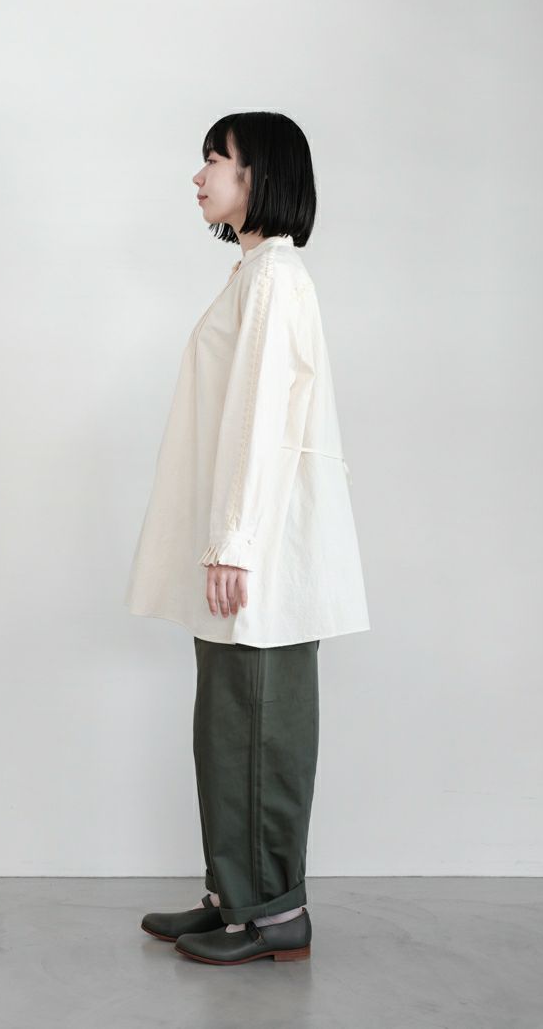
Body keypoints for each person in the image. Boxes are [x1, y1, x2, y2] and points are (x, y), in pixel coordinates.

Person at [127, 111, 370, 965]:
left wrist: (233, 541)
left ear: (257, 176)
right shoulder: (253, 274)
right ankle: (232, 895)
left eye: (214, 162)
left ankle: (273, 915)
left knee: (260, 729)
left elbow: (264, 419)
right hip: (238, 545)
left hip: (257, 550)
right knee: (227, 727)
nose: (198, 178)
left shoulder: (276, 279)